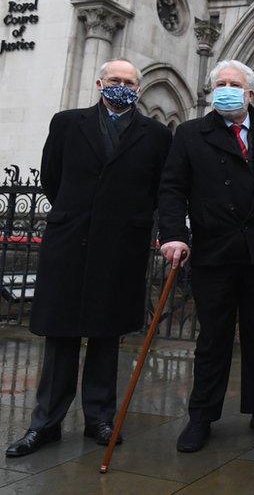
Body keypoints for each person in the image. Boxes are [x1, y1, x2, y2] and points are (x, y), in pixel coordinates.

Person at [5, 59, 173, 457]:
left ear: (139, 88)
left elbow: (157, 188)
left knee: (106, 335)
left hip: (120, 247)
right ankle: (45, 423)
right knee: (60, 335)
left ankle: (99, 418)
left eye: (130, 82)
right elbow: (52, 177)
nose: (122, 86)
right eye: (115, 80)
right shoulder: (67, 123)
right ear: (99, 83)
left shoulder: (154, 135)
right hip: (70, 242)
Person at [157, 59, 254, 453]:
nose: (227, 89)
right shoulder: (190, 133)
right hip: (214, 252)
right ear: (211, 91)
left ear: (251, 94)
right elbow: (171, 188)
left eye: (235, 84)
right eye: (221, 84)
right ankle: (202, 415)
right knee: (212, 339)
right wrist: (173, 235)